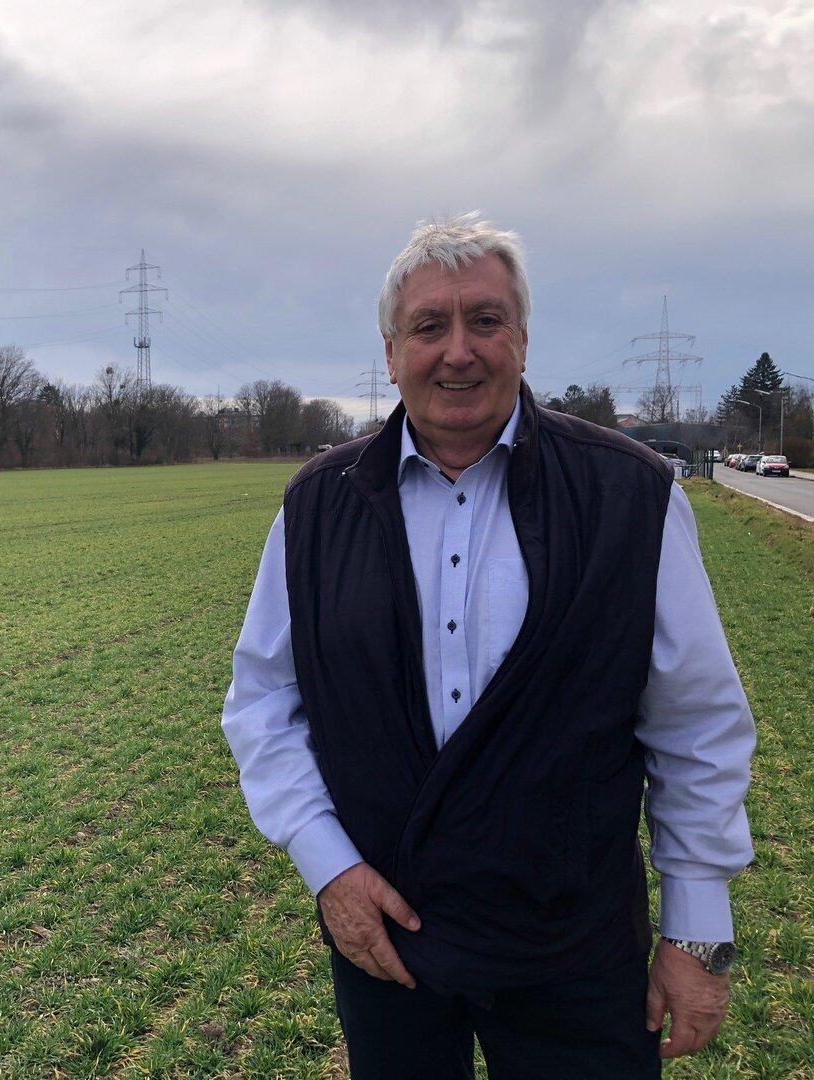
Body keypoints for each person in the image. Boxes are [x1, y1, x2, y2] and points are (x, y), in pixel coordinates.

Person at [221, 212, 755, 1078]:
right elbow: (262, 706)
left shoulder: (632, 497)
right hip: (388, 942)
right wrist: (329, 870)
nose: (457, 350)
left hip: (574, 950)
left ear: (523, 339)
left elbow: (696, 725)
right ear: (391, 354)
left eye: (485, 321)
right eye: (429, 326)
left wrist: (698, 928)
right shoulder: (315, 510)